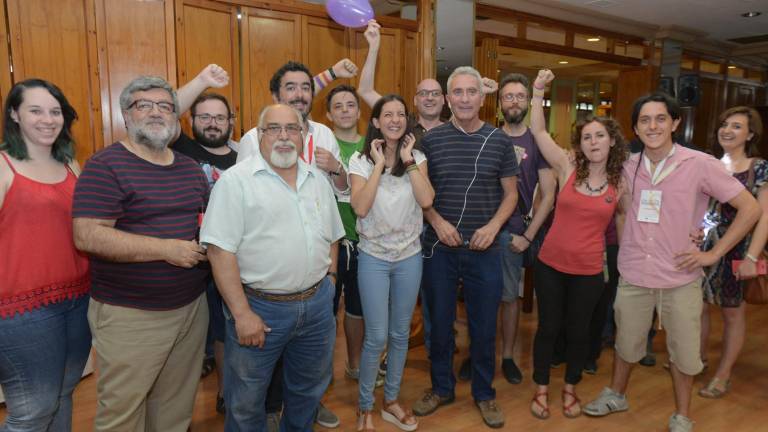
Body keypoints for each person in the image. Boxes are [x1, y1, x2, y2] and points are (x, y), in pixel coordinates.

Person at [583, 92, 761, 432]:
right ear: (635, 127)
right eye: (645, 120)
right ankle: (616, 394)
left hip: (680, 276)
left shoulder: (699, 163)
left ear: (675, 123)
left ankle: (682, 414)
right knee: (626, 343)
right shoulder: (626, 165)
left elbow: (750, 208)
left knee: (684, 353)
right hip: (635, 273)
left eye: (661, 118)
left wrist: (713, 251)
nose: (653, 126)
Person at [73, 76, 210, 432]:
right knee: (123, 412)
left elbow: (205, 225)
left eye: (165, 106)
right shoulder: (106, 166)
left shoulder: (189, 169)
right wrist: (165, 250)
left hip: (191, 308)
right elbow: (88, 235)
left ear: (175, 117)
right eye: (143, 105)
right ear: (126, 114)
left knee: (175, 408)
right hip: (130, 314)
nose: (155, 112)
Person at [200, 103, 345, 432]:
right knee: (247, 401)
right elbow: (219, 251)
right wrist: (241, 314)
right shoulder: (236, 182)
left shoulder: (317, 181)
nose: (283, 136)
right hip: (260, 311)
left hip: (317, 306)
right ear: (259, 135)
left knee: (307, 393)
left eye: (292, 128)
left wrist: (332, 280)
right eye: (273, 129)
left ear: (303, 134)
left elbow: (333, 236)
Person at [236, 60, 350, 428]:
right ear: (276, 95)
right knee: (258, 374)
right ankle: (270, 411)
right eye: (291, 87)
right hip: (265, 286)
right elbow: (245, 202)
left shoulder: (325, 135)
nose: (300, 94)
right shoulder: (253, 139)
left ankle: (308, 407)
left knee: (310, 362)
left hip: (315, 277)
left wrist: (336, 168)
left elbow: (338, 199)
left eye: (305, 87)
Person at [412, 66, 519, 429]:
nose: (464, 98)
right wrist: (438, 223)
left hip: (485, 248)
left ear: (482, 97)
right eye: (456, 92)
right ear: (447, 98)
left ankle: (485, 393)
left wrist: (493, 227)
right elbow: (421, 194)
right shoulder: (431, 141)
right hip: (439, 248)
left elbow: (512, 195)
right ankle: (441, 388)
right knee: (439, 324)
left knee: (484, 326)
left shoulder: (500, 141)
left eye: (471, 91)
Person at [526, 69, 627, 419]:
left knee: (579, 331)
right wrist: (538, 91)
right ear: (580, 144)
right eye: (587, 137)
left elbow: (628, 224)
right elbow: (538, 131)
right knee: (549, 328)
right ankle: (541, 389)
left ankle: (570, 389)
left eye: (600, 136)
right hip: (550, 263)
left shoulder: (621, 183)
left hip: (589, 269)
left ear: (612, 141)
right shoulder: (567, 166)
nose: (594, 142)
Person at [0, 79, 90, 432]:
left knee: (63, 393)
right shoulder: (3, 165)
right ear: (14, 114)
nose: (48, 119)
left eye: (55, 112)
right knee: (33, 410)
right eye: (35, 110)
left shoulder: (71, 164)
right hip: (21, 311)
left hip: (78, 299)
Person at [456, 72, 556, 385]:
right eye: (508, 96)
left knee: (509, 299)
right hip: (480, 231)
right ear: (499, 103)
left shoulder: (537, 142)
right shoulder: (486, 135)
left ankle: (509, 356)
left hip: (514, 232)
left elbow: (549, 194)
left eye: (520, 96)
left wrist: (528, 236)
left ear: (528, 102)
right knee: (477, 298)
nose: (514, 101)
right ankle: (476, 352)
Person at [349, 94, 434, 431]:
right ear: (376, 122)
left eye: (401, 114)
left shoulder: (418, 158)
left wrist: (408, 161)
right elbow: (360, 207)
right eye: (388, 114)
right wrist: (380, 164)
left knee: (400, 334)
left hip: (409, 257)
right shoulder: (360, 161)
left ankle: (391, 401)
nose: (396, 119)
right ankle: (365, 405)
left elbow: (426, 199)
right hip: (373, 257)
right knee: (376, 336)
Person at [175, 90, 238, 415]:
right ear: (191, 120)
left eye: (220, 117)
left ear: (232, 122)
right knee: (189, 337)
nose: (213, 124)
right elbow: (166, 112)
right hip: (188, 259)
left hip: (231, 257)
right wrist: (203, 80)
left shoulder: (245, 156)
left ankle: (226, 392)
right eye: (205, 117)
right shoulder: (182, 148)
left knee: (226, 328)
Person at [699, 106, 767, 399]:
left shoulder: (759, 167)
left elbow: (764, 216)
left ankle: (723, 374)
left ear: (750, 134)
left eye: (737, 126)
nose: (727, 130)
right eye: (725, 124)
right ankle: (696, 360)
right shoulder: (709, 164)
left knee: (732, 314)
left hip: (739, 248)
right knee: (697, 309)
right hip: (703, 248)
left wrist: (752, 257)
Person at [324, 84, 371, 385]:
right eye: (337, 106)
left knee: (357, 307)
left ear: (359, 111)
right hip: (325, 242)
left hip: (362, 240)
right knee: (325, 310)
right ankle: (320, 372)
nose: (344, 110)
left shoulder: (371, 147)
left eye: (350, 104)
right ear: (328, 114)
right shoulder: (320, 144)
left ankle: (355, 364)